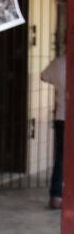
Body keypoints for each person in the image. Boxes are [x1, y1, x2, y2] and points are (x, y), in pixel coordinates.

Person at [41, 53, 66, 209]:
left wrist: (58, 83)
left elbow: (43, 76)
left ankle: (56, 197)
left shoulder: (58, 63)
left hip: (62, 117)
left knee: (60, 157)